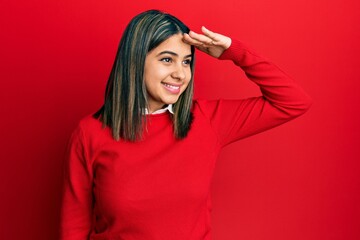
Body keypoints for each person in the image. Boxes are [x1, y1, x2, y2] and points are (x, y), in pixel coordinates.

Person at [60, 9, 312, 240]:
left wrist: (233, 51)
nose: (181, 74)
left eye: (186, 61)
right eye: (167, 60)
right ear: (135, 62)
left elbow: (293, 101)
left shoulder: (207, 120)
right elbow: (74, 228)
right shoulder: (90, 133)